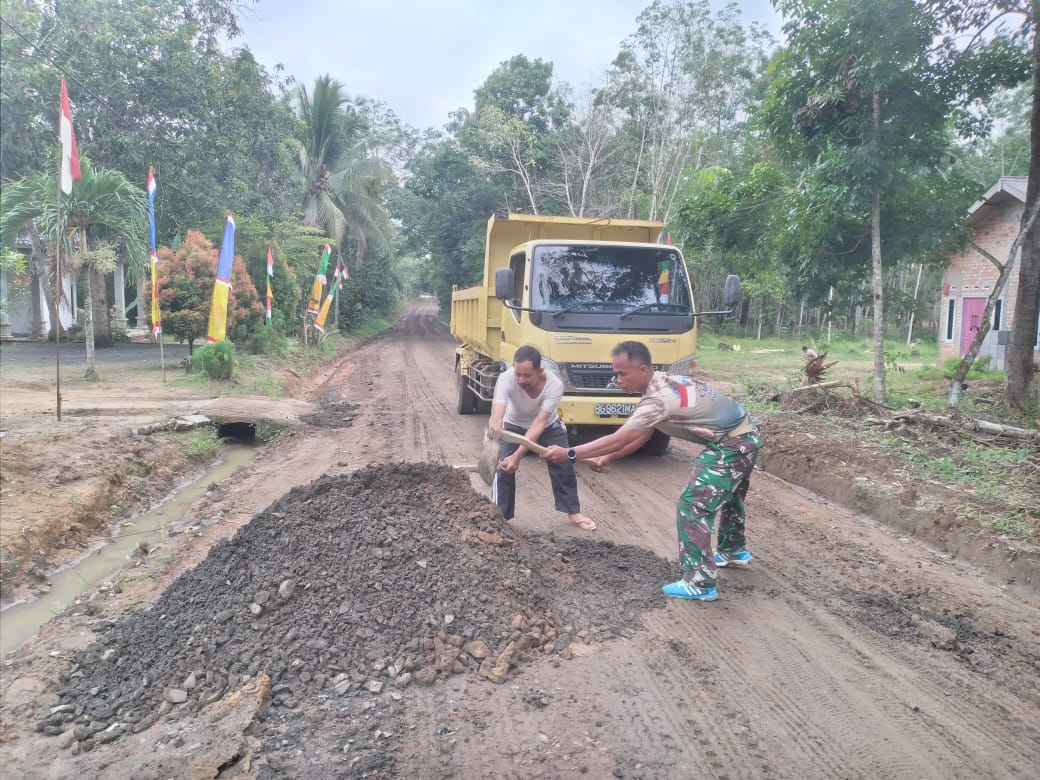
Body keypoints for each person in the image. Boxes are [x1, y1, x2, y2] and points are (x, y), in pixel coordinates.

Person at [543, 341, 761, 601]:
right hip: (747, 434)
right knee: (729, 494)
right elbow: (644, 435)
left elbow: (619, 437)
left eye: (622, 373)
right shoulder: (666, 382)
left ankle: (701, 582)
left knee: (693, 506)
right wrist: (609, 457)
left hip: (731, 445)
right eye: (616, 373)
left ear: (643, 369)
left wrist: (569, 453)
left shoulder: (658, 400)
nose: (617, 379)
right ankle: (733, 550)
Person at [489, 345, 596, 531]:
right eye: (518, 374)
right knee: (504, 467)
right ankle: (500, 515)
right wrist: (495, 436)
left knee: (563, 463)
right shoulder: (506, 378)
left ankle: (573, 511)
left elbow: (539, 423)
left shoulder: (554, 384)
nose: (521, 380)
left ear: (539, 371)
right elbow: (497, 416)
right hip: (514, 424)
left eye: (527, 375)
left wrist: (518, 456)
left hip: (548, 426)